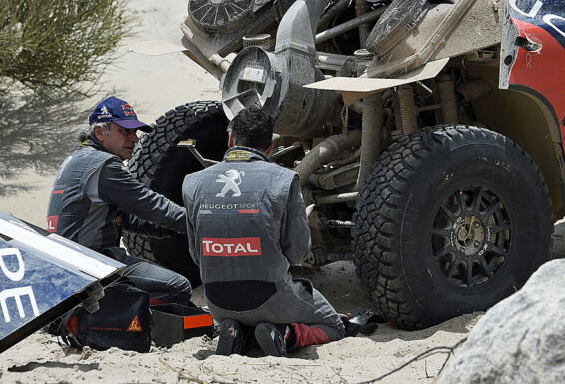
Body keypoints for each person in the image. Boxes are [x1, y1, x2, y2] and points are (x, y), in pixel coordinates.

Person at [182, 106, 345, 357]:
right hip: (270, 299)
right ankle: (285, 335)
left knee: (242, 311)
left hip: (217, 302)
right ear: (270, 146)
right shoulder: (283, 179)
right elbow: (299, 254)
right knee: (334, 325)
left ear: (230, 140)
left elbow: (195, 254)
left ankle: (239, 332)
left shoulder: (192, 182)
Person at [47, 96, 191, 305]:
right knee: (178, 287)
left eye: (135, 131)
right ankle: (107, 321)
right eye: (125, 131)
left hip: (70, 263)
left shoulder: (79, 159)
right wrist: (200, 222)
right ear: (99, 132)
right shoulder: (103, 165)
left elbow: (121, 219)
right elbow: (151, 205)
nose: (134, 138)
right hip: (91, 264)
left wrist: (169, 228)